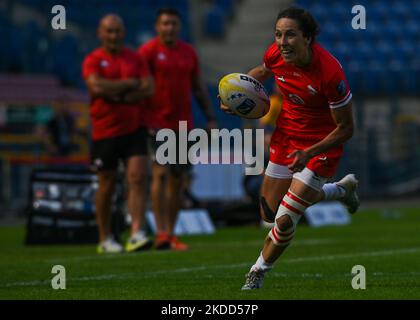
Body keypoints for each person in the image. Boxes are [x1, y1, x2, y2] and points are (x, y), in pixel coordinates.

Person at [220, 7, 360, 289]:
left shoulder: (329, 74)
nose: (283, 42)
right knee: (268, 214)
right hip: (286, 139)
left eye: (291, 35)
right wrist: (237, 97)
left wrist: (309, 153)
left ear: (308, 38)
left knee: (285, 220)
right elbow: (260, 72)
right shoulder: (276, 54)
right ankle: (340, 190)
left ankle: (257, 271)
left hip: (321, 146)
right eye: (278, 35)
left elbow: (346, 128)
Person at [138, 8, 217, 250]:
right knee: (160, 173)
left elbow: (198, 88)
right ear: (157, 27)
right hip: (156, 123)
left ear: (179, 27)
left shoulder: (188, 53)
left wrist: (210, 118)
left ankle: (170, 234)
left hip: (183, 125)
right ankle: (160, 231)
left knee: (177, 179)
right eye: (165, 24)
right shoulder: (148, 52)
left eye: (173, 24)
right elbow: (140, 87)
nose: (169, 28)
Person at [82, 14, 154, 254]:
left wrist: (115, 93)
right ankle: (104, 238)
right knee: (107, 184)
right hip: (104, 130)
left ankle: (136, 232)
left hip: (134, 128)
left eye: (117, 31)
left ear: (124, 33)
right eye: (109, 31)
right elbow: (96, 87)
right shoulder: (93, 59)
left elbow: (148, 88)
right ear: (100, 33)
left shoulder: (135, 58)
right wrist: (129, 85)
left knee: (137, 178)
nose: (113, 36)